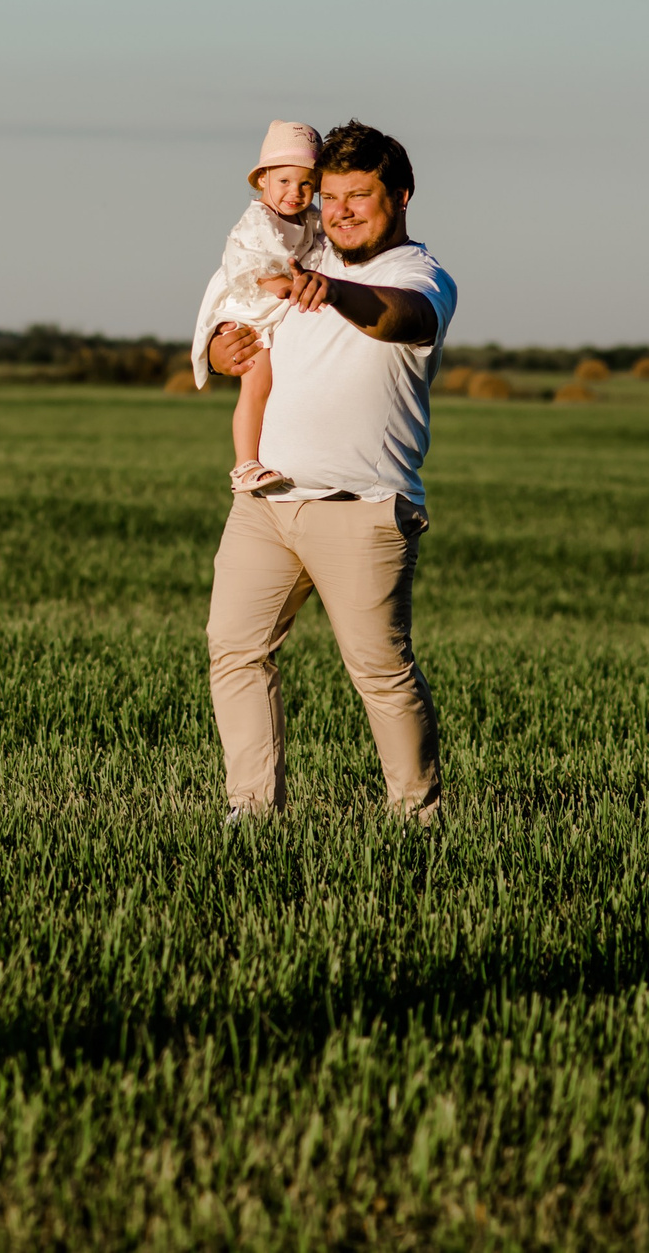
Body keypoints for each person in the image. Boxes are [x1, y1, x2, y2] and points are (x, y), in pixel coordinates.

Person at [198, 120, 455, 824]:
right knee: (235, 650)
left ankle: (418, 818)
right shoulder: (304, 256)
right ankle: (252, 811)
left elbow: (401, 317)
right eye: (330, 194)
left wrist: (334, 292)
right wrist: (226, 349)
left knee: (379, 671)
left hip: (364, 509)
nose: (338, 208)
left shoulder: (418, 275)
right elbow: (245, 333)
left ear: (400, 196)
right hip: (267, 501)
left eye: (357, 195)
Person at [189, 121, 325, 492]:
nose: (295, 193)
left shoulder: (309, 218)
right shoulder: (258, 219)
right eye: (284, 181)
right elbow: (246, 262)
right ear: (262, 179)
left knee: (273, 381)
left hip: (275, 303)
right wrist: (280, 284)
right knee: (257, 381)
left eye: (306, 184)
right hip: (249, 303)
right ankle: (244, 464)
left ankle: (271, 454)